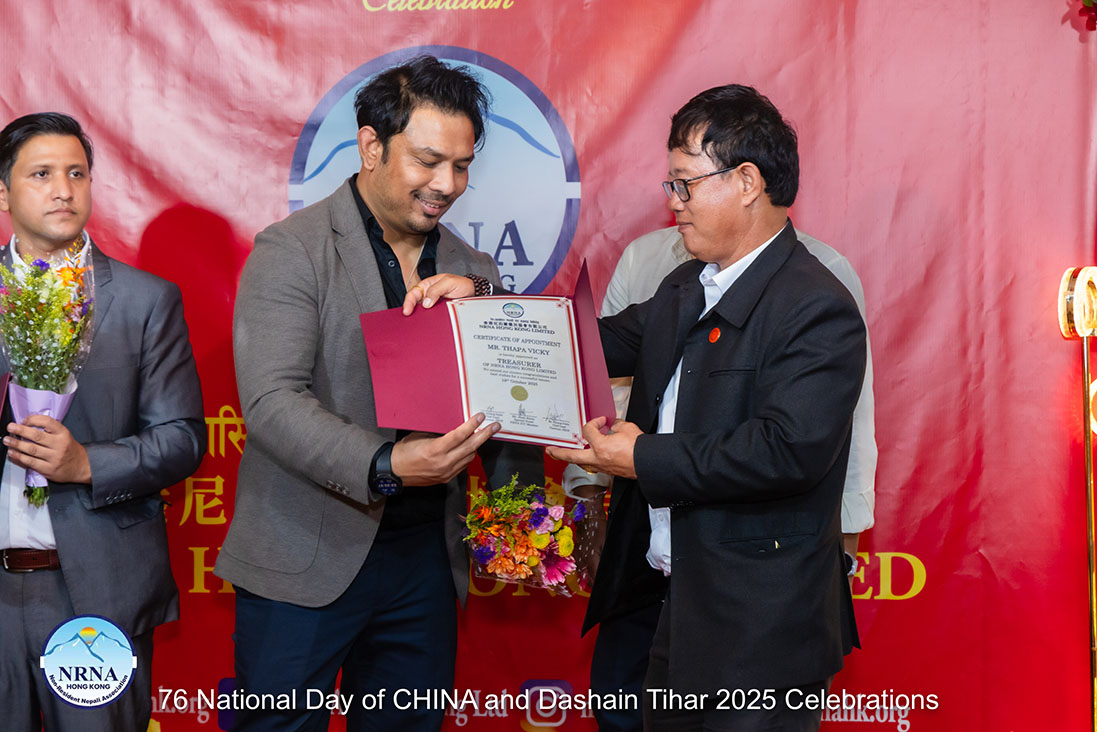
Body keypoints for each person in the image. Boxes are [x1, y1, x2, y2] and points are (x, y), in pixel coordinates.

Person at [216, 55, 541, 732]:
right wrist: (385, 464)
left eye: (462, 166)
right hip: (304, 554)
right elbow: (272, 402)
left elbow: (511, 397)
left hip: (425, 564)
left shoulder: (473, 269)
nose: (447, 184)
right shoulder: (292, 249)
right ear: (371, 146)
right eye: (428, 161)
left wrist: (521, 517)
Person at [546, 84, 867, 731]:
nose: (673, 201)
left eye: (685, 184)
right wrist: (481, 304)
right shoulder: (685, 286)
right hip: (671, 599)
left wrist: (640, 456)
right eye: (671, 184)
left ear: (746, 182)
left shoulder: (816, 305)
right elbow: (584, 344)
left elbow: (786, 450)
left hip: (758, 628)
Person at [0, 112, 206, 732]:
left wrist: (86, 463)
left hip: (96, 595)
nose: (63, 189)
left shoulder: (144, 301)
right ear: (4, 193)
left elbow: (182, 439)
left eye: (77, 174)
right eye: (41, 174)